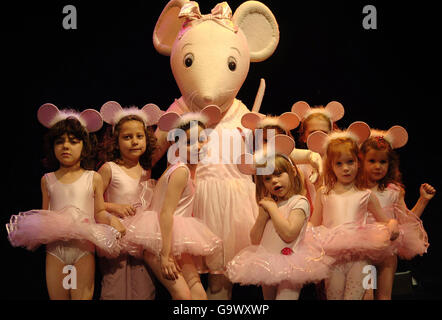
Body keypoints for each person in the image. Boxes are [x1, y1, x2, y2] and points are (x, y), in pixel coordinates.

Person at [7, 104, 124, 300]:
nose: (66, 146)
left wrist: (113, 221)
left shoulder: (92, 177)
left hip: (83, 248)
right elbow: (45, 215)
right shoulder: (47, 179)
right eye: (60, 142)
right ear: (52, 147)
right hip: (55, 250)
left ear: (84, 145)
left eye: (73, 141)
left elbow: (99, 212)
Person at [122, 109, 223, 300]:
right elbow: (166, 213)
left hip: (174, 242)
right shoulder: (181, 171)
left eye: (201, 140)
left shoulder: (182, 169)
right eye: (189, 142)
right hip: (161, 243)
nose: (197, 146)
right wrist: (165, 255)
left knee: (199, 295)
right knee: (183, 295)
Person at [226, 135, 334, 300]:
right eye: (267, 178)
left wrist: (272, 210)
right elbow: (255, 240)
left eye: (278, 174)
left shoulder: (299, 201)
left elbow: (289, 233)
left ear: (291, 172)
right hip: (267, 263)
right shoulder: (270, 205)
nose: (274, 181)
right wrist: (262, 217)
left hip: (290, 263)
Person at [308, 122, 399, 300]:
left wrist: (393, 223)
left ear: (358, 162)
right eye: (339, 164)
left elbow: (383, 219)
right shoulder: (324, 193)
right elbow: (314, 222)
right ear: (331, 166)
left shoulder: (365, 195)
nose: (346, 168)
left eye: (350, 162)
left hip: (360, 257)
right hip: (332, 257)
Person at [359, 126, 434, 300]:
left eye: (383, 162)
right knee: (366, 295)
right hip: (364, 250)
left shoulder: (394, 191)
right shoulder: (357, 190)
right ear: (361, 161)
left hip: (387, 249)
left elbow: (406, 219)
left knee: (384, 296)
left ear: (390, 164)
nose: (378, 166)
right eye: (372, 161)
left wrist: (423, 200)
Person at [97, 101, 163, 300]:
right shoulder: (109, 168)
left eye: (139, 136)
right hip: (115, 233)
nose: (134, 141)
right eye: (127, 137)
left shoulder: (145, 170)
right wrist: (113, 207)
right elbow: (91, 200)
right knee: (114, 284)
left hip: (140, 236)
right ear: (116, 141)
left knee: (143, 287)